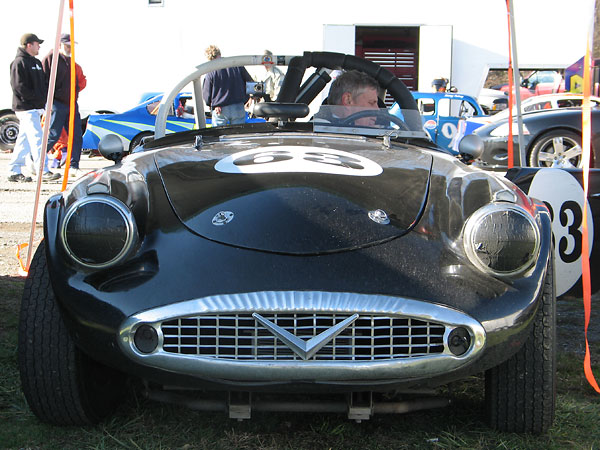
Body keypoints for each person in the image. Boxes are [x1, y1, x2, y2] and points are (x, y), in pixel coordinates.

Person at [8, 33, 60, 182]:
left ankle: (13, 170)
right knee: (38, 139)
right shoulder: (18, 63)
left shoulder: (36, 62)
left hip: (36, 108)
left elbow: (43, 85)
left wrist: (43, 101)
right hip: (26, 108)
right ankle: (43, 171)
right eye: (37, 44)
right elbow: (18, 87)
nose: (39, 46)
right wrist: (35, 100)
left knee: (23, 141)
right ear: (29, 45)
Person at [42, 33, 86, 178]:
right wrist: (52, 98)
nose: (70, 48)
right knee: (53, 134)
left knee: (76, 135)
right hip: (57, 103)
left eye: (71, 45)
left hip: (71, 102)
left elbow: (80, 81)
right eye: (67, 45)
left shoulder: (71, 62)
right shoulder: (51, 59)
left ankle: (74, 165)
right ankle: (37, 161)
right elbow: (44, 81)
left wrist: (75, 93)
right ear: (59, 44)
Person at [202, 45, 253, 126]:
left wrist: (212, 104)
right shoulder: (236, 65)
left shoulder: (210, 72)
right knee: (238, 134)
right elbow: (250, 82)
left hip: (220, 109)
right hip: (238, 106)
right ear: (219, 53)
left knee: (219, 136)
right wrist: (248, 98)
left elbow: (206, 94)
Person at [316, 70, 380, 127]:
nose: (378, 110)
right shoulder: (316, 132)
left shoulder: (382, 134)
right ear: (348, 100)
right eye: (371, 103)